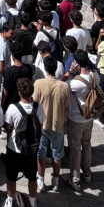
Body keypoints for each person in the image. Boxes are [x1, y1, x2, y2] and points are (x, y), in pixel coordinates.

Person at [3, 76, 40, 207]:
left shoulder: (13, 108)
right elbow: (41, 123)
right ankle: (32, 204)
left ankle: (10, 202)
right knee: (32, 178)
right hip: (32, 149)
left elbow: (8, 126)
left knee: (11, 177)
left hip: (15, 148)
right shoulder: (39, 107)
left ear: (19, 93)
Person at [34, 56, 70, 194]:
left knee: (41, 153)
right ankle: (55, 181)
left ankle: (41, 179)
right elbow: (66, 108)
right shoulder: (64, 86)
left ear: (45, 69)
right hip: (58, 124)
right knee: (57, 154)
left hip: (42, 125)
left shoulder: (38, 83)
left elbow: (34, 103)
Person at [66, 49, 98, 188]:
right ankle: (87, 172)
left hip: (76, 119)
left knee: (75, 149)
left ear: (77, 64)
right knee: (86, 145)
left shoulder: (75, 83)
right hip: (89, 117)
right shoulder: (95, 75)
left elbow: (60, 85)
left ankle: (75, 178)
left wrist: (70, 72)